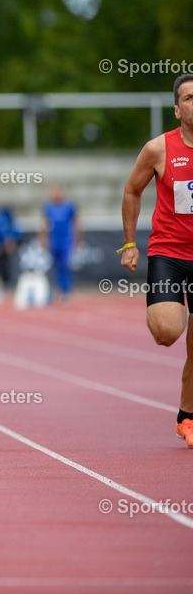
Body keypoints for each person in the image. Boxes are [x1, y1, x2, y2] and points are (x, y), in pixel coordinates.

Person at [120, 73, 193, 448]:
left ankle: (187, 417)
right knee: (167, 332)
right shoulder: (158, 149)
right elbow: (132, 191)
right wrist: (129, 243)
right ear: (177, 109)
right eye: (189, 98)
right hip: (169, 252)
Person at [40, 184, 81, 303]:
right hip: (53, 240)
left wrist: (78, 239)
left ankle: (66, 291)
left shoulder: (69, 207)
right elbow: (44, 224)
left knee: (64, 266)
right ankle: (55, 290)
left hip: (66, 241)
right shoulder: (48, 207)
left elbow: (76, 223)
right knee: (54, 267)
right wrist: (43, 238)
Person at [0, 201, 22, 286]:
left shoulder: (0, 217)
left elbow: (4, 230)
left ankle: (10, 283)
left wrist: (8, 241)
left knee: (10, 265)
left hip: (6, 246)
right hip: (2, 246)